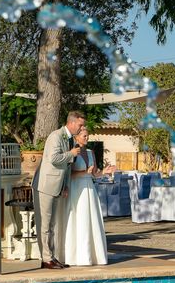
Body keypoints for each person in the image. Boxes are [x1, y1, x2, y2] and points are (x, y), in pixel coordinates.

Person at [32, 110, 86, 270]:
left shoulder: (70, 139)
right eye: (80, 124)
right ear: (72, 123)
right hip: (45, 185)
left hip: (57, 186)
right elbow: (54, 159)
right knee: (45, 224)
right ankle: (46, 259)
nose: (82, 128)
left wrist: (66, 185)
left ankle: (51, 257)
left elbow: (67, 167)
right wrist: (71, 153)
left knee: (52, 225)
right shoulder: (55, 136)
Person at [57, 126, 115, 266]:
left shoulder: (90, 152)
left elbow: (94, 173)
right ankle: (77, 256)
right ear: (76, 137)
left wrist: (104, 172)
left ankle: (93, 256)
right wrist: (84, 173)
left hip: (89, 189)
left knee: (91, 219)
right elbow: (68, 174)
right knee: (79, 220)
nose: (87, 138)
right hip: (76, 188)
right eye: (84, 136)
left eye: (88, 136)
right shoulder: (72, 152)